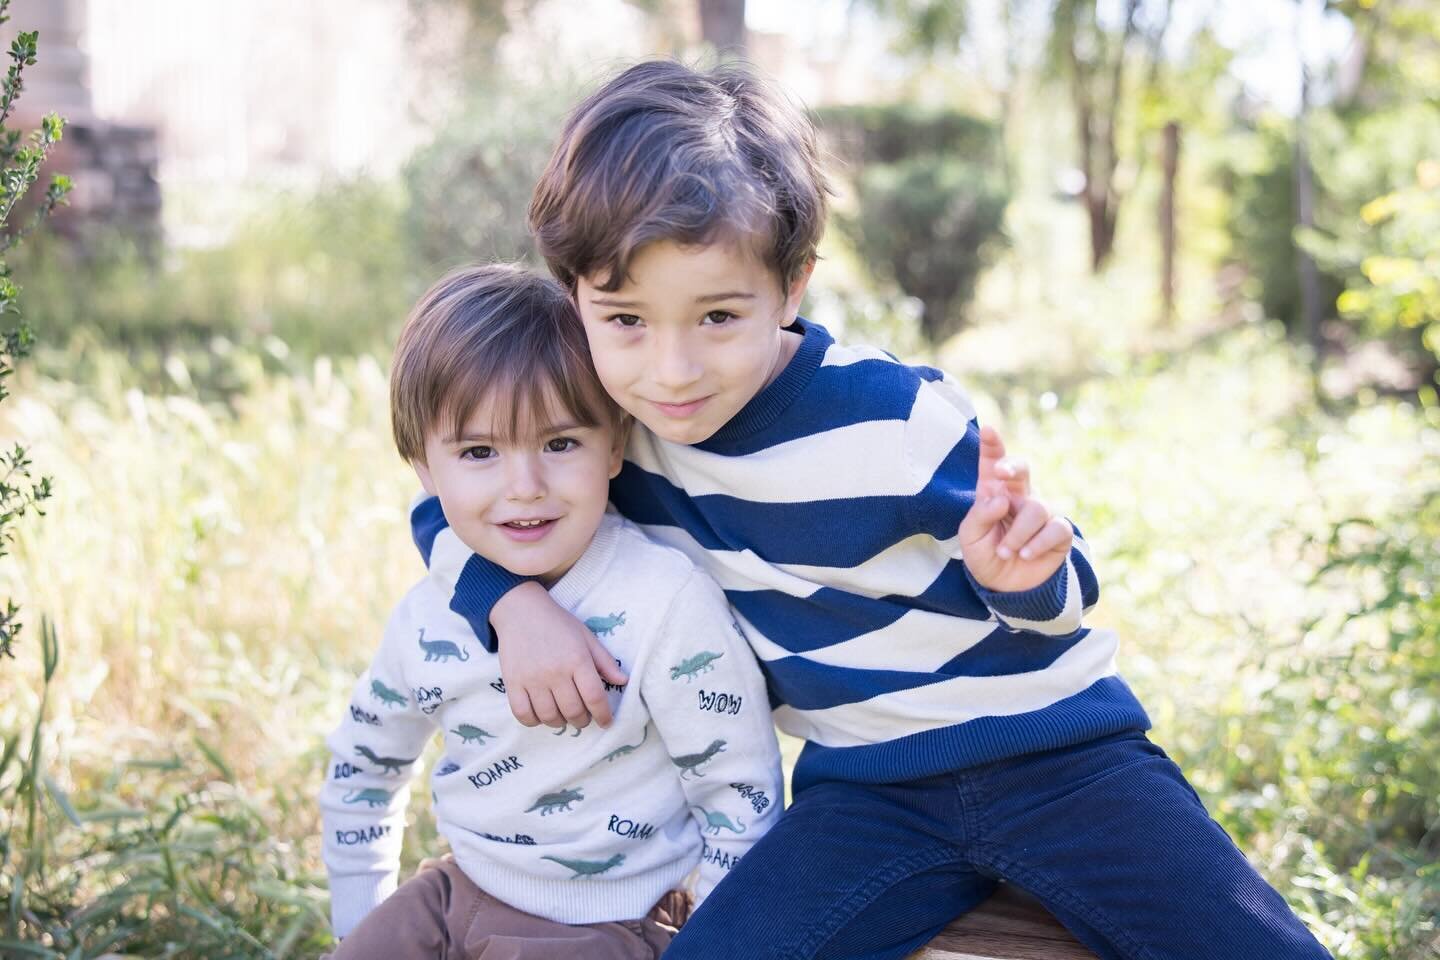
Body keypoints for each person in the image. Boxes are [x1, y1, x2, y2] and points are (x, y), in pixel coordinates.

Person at [414, 61, 1333, 960]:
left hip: (1060, 761)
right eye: (625, 320)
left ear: (793, 284)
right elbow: (451, 508)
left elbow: (1063, 587)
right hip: (862, 794)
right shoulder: (608, 435)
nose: (672, 369)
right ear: (573, 291)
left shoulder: (892, 417)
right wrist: (513, 603)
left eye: (719, 317)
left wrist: (1023, 575)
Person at [319, 263, 783, 959]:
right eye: (478, 452)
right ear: (423, 467)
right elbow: (363, 765)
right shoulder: (426, 621)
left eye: (560, 444)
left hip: (612, 920)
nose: (525, 488)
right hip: (459, 891)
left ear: (615, 445)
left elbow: (739, 791)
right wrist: (360, 921)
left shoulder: (664, 601)